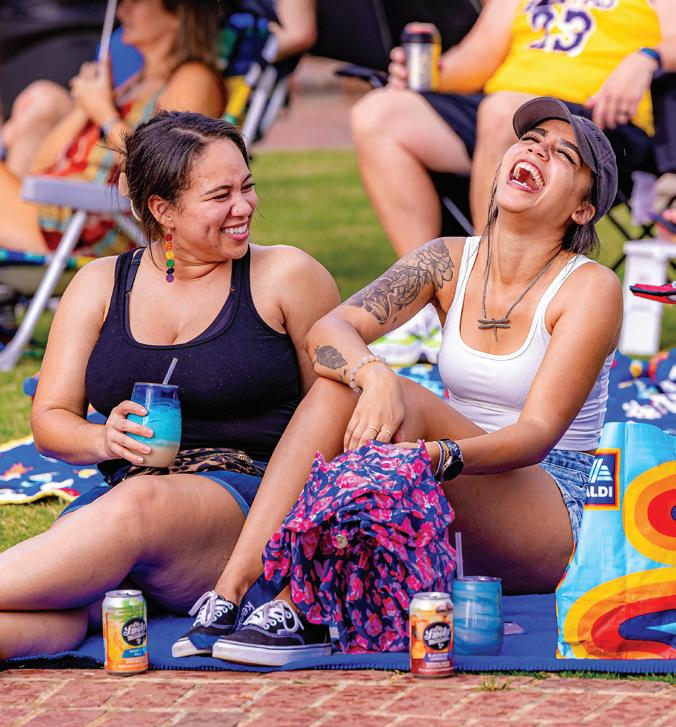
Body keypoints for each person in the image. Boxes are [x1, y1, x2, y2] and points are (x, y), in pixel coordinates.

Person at [173, 97, 624, 666]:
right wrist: (376, 375)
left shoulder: (591, 288)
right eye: (531, 140)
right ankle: (232, 590)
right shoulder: (447, 260)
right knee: (345, 386)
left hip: (552, 509)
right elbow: (330, 329)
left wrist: (432, 455)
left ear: (583, 209)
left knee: (403, 403)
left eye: (562, 155)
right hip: (456, 493)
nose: (536, 151)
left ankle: (300, 607)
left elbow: (535, 435)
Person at [0, 110, 340, 660]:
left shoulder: (286, 277)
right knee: (59, 617)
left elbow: (337, 407)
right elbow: (50, 421)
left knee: (140, 504)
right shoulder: (99, 284)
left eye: (247, 186)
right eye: (220, 195)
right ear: (162, 210)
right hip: (123, 501)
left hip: (248, 505)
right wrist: (103, 438)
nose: (244, 207)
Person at [351, 0, 672, 360]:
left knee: (502, 111)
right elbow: (479, 57)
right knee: (377, 114)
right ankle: (430, 302)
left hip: (599, 119)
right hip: (500, 112)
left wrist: (647, 57)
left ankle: (480, 303)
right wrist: (426, 72)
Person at [0, 0, 226, 255]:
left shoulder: (194, 78)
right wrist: (84, 108)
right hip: (65, 210)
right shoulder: (130, 86)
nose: (122, 11)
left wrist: (104, 113)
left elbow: (161, 171)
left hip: (98, 224)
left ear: (178, 11)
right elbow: (39, 167)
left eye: (135, 1)